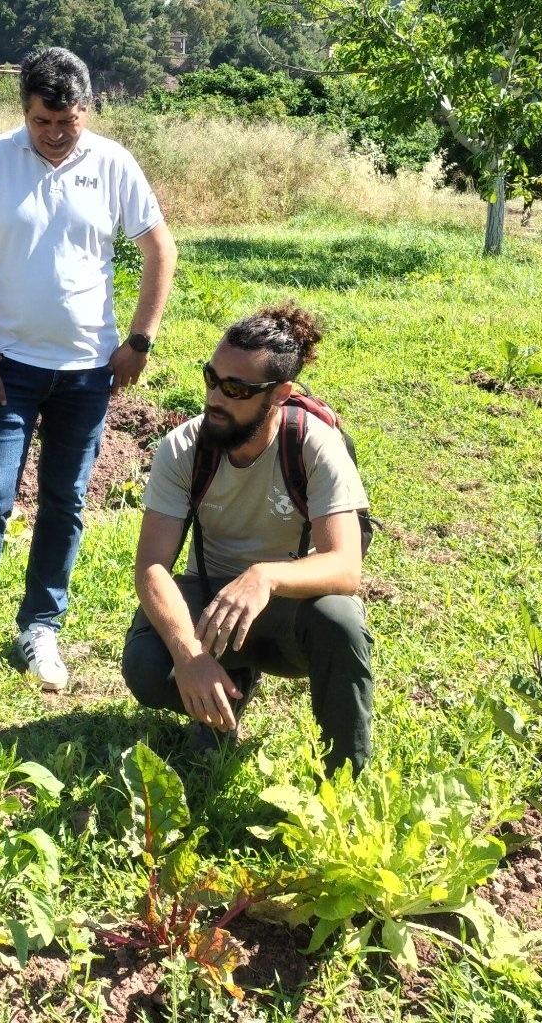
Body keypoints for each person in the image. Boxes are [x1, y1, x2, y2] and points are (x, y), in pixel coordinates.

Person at [0, 47, 177, 700]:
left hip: (85, 371)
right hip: (6, 368)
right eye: (43, 121)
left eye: (67, 121)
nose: (54, 133)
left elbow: (160, 248)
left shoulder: (112, 164)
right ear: (26, 110)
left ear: (86, 109)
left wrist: (140, 339)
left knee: (65, 501)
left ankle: (39, 628)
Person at [120, 303, 373, 774]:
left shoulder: (314, 444)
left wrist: (266, 577)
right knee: (148, 666)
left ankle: (344, 777)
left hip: (287, 611)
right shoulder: (183, 448)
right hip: (212, 601)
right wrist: (190, 654)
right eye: (211, 378)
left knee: (340, 620)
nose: (215, 397)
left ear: (279, 394)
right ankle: (222, 701)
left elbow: (345, 566)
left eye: (235, 389)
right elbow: (153, 565)